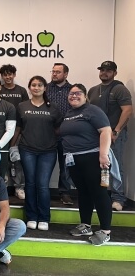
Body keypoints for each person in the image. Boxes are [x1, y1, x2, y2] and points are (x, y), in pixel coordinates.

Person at [60, 84, 112, 246]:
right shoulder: (69, 113)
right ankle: (86, 226)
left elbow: (106, 131)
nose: (74, 96)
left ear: (85, 96)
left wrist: (103, 155)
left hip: (93, 157)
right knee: (83, 193)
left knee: (99, 193)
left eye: (78, 93)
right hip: (74, 159)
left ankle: (105, 231)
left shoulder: (92, 110)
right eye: (71, 94)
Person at [12, 76, 62, 231]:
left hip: (48, 151)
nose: (36, 87)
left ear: (45, 88)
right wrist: (13, 146)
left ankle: (44, 218)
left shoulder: (53, 107)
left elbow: (59, 130)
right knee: (30, 183)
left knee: (42, 185)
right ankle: (32, 217)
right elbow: (18, 129)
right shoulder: (21, 106)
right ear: (29, 88)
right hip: (27, 149)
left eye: (40, 85)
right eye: (33, 85)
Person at [87, 61, 132, 211]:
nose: (104, 73)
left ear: (115, 73)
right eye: (102, 70)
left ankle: (118, 198)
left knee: (115, 165)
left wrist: (116, 131)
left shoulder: (120, 89)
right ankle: (101, 196)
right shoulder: (93, 90)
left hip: (114, 134)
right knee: (98, 166)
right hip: (95, 135)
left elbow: (127, 111)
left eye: (108, 70)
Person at [0, 64, 28, 200]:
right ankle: (2, 186)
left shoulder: (21, 91)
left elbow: (26, 110)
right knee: (2, 159)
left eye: (10, 74)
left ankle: (19, 187)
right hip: (1, 130)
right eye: (5, 74)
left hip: (18, 129)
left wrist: (19, 130)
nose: (8, 77)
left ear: (14, 75)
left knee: (16, 159)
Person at [47, 63, 74, 205]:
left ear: (66, 74)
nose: (54, 74)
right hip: (47, 133)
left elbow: (76, 109)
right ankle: (43, 190)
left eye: (58, 72)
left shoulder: (72, 90)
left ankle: (65, 193)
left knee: (65, 165)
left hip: (66, 134)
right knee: (46, 163)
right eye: (53, 71)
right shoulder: (45, 88)